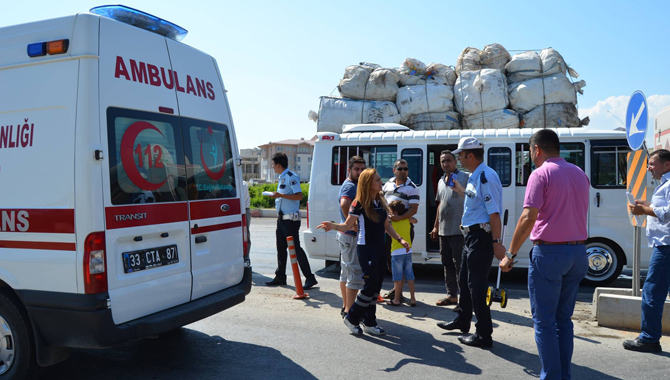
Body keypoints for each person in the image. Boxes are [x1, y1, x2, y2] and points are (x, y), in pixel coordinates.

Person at [502, 129, 589, 379]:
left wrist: (510, 253)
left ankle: (551, 376)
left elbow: (528, 216)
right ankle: (564, 375)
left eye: (531, 152)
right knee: (563, 320)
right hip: (578, 252)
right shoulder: (580, 174)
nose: (531, 156)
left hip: (550, 254)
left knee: (544, 322)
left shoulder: (540, 174)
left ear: (537, 149)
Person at [317, 168, 409, 336]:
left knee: (376, 287)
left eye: (380, 179)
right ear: (368, 184)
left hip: (380, 248)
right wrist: (333, 225)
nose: (380, 182)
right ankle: (352, 317)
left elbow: (386, 226)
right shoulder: (358, 203)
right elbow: (347, 225)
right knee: (369, 285)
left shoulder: (381, 200)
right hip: (366, 249)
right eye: (377, 180)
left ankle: (369, 322)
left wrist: (400, 239)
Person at [436, 137, 505, 349]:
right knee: (464, 280)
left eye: (460, 155)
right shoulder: (475, 175)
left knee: (476, 287)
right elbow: (475, 200)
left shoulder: (485, 176)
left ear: (470, 156)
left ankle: (484, 335)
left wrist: (496, 242)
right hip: (471, 236)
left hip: (481, 237)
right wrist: (459, 190)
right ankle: (463, 320)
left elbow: (494, 214)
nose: (458, 158)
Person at [623, 149, 670, 353]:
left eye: (652, 163)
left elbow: (667, 213)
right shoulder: (664, 184)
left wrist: (646, 210)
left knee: (652, 292)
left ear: (666, 165)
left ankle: (649, 339)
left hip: (666, 246)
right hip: (664, 245)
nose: (649, 168)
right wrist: (648, 205)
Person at [265, 152, 317, 290]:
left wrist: (280, 195)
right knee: (281, 249)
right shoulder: (282, 178)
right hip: (281, 219)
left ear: (279, 165)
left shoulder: (291, 177)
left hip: (290, 220)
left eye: (273, 164)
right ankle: (280, 276)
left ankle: (310, 278)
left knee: (296, 249)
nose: (273, 167)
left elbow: (299, 196)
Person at [430, 150, 469, 308]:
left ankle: (465, 299)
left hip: (459, 230)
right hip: (443, 231)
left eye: (448, 160)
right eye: (442, 161)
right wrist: (435, 227)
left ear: (455, 162)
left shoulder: (464, 177)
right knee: (447, 264)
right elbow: (440, 205)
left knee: (460, 264)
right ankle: (452, 296)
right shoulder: (440, 181)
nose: (445, 164)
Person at [382, 159, 420, 301]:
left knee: (400, 262)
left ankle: (398, 294)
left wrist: (400, 218)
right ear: (394, 170)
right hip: (388, 229)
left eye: (405, 169)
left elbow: (414, 209)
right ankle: (397, 290)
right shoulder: (387, 185)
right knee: (390, 260)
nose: (403, 171)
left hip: (403, 231)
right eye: (400, 169)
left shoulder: (412, 187)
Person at [337, 156, 366, 318]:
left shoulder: (354, 184)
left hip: (345, 235)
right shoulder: (350, 186)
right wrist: (354, 226)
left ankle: (345, 306)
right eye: (357, 169)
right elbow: (344, 205)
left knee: (346, 273)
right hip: (350, 235)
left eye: (362, 169)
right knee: (354, 273)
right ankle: (350, 311)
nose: (360, 172)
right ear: (349, 170)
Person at [386, 201, 416, 307]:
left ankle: (396, 299)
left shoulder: (390, 222)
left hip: (396, 251)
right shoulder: (407, 219)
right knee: (410, 276)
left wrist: (391, 218)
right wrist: (403, 217)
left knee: (397, 278)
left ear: (395, 212)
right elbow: (415, 220)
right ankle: (413, 299)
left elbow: (385, 229)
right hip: (408, 250)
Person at [242, 180, 251, 265]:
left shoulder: (242, 184)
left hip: (244, 210)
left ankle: (246, 257)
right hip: (242, 210)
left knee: (245, 235)